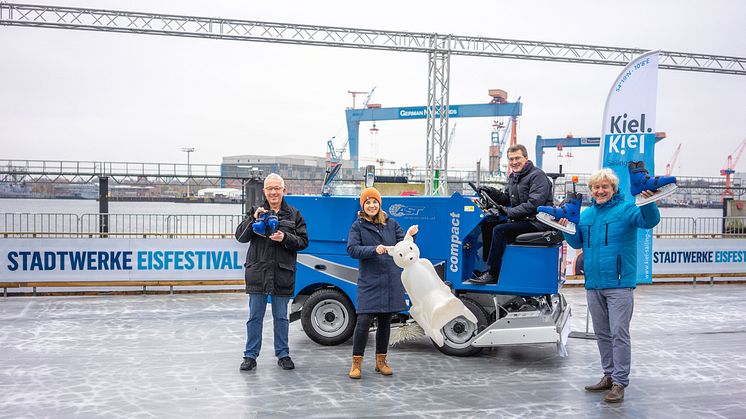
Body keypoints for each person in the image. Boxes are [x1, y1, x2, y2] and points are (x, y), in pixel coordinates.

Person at [558, 168, 659, 403]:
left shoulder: (626, 210)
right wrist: (566, 227)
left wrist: (647, 200)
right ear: (591, 191)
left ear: (613, 189)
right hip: (593, 284)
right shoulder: (587, 215)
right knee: (602, 334)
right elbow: (577, 241)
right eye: (596, 187)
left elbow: (650, 221)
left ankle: (620, 382)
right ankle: (608, 375)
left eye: (605, 187)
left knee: (619, 333)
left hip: (619, 284)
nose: (600, 190)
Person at [235, 173, 308, 372]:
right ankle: (250, 356)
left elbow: (303, 242)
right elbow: (240, 237)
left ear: (284, 190)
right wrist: (253, 218)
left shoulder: (294, 214)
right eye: (270, 189)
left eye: (277, 188)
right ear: (264, 191)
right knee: (254, 317)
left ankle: (283, 354)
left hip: (281, 272)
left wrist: (285, 237)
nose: (274, 192)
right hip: (258, 271)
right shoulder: (255, 212)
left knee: (281, 317)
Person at [346, 187, 417, 379]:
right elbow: (352, 250)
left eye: (374, 202)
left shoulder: (392, 224)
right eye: (367, 202)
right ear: (363, 206)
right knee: (363, 322)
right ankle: (356, 363)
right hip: (369, 281)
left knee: (386, 322)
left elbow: (404, 246)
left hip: (390, 279)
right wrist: (373, 250)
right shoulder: (357, 226)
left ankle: (381, 362)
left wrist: (410, 236)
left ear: (379, 204)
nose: (371, 205)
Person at [471, 144, 553, 284]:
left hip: (538, 221)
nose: (514, 162)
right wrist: (491, 191)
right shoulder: (513, 177)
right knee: (488, 225)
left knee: (500, 230)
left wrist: (509, 212)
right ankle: (490, 268)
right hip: (523, 219)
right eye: (511, 159)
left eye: (517, 158)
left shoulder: (537, 176)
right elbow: (507, 198)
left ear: (526, 158)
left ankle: (493, 274)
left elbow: (534, 205)